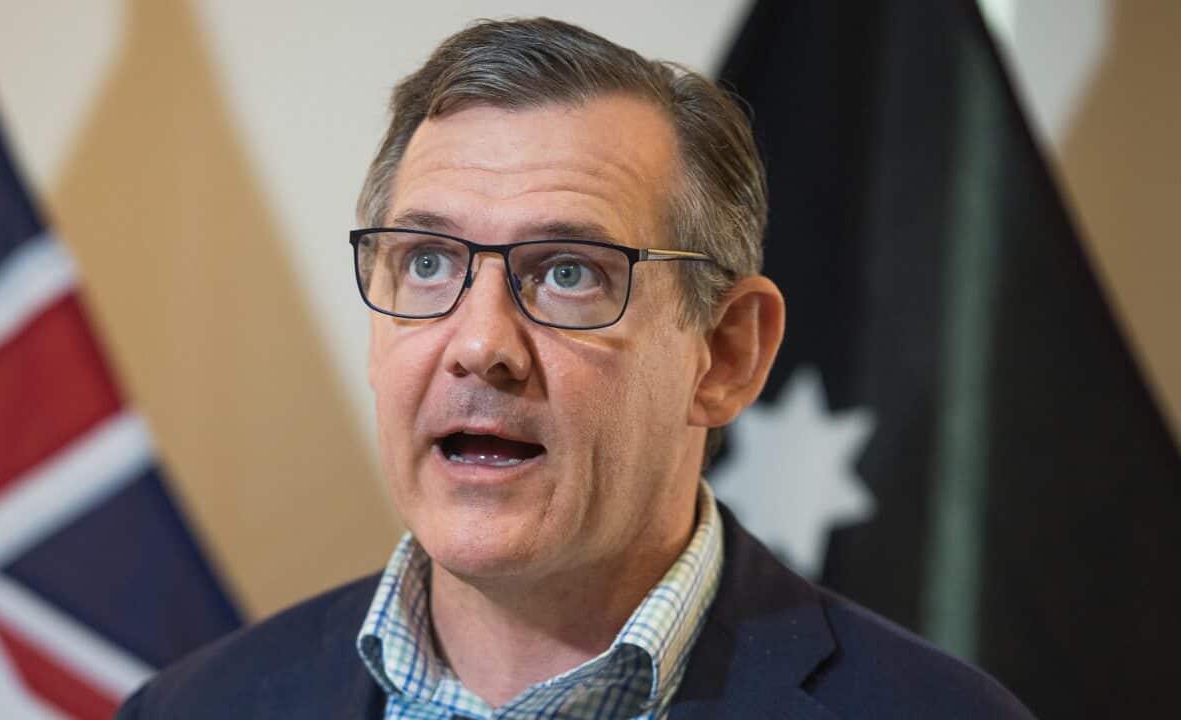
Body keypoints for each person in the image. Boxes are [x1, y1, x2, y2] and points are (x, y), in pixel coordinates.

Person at [118, 18, 1034, 719]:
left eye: (568, 274)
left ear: (726, 354)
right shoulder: (193, 709)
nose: (479, 344)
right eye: (428, 262)